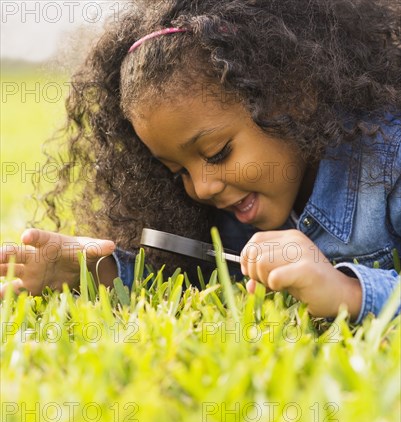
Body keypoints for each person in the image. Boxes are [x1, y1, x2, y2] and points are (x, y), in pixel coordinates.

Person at [1, 0, 400, 323]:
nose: (203, 187)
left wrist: (348, 292)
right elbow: (194, 276)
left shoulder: (389, 161)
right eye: (179, 173)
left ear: (294, 97)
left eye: (217, 153)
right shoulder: (232, 209)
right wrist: (97, 271)